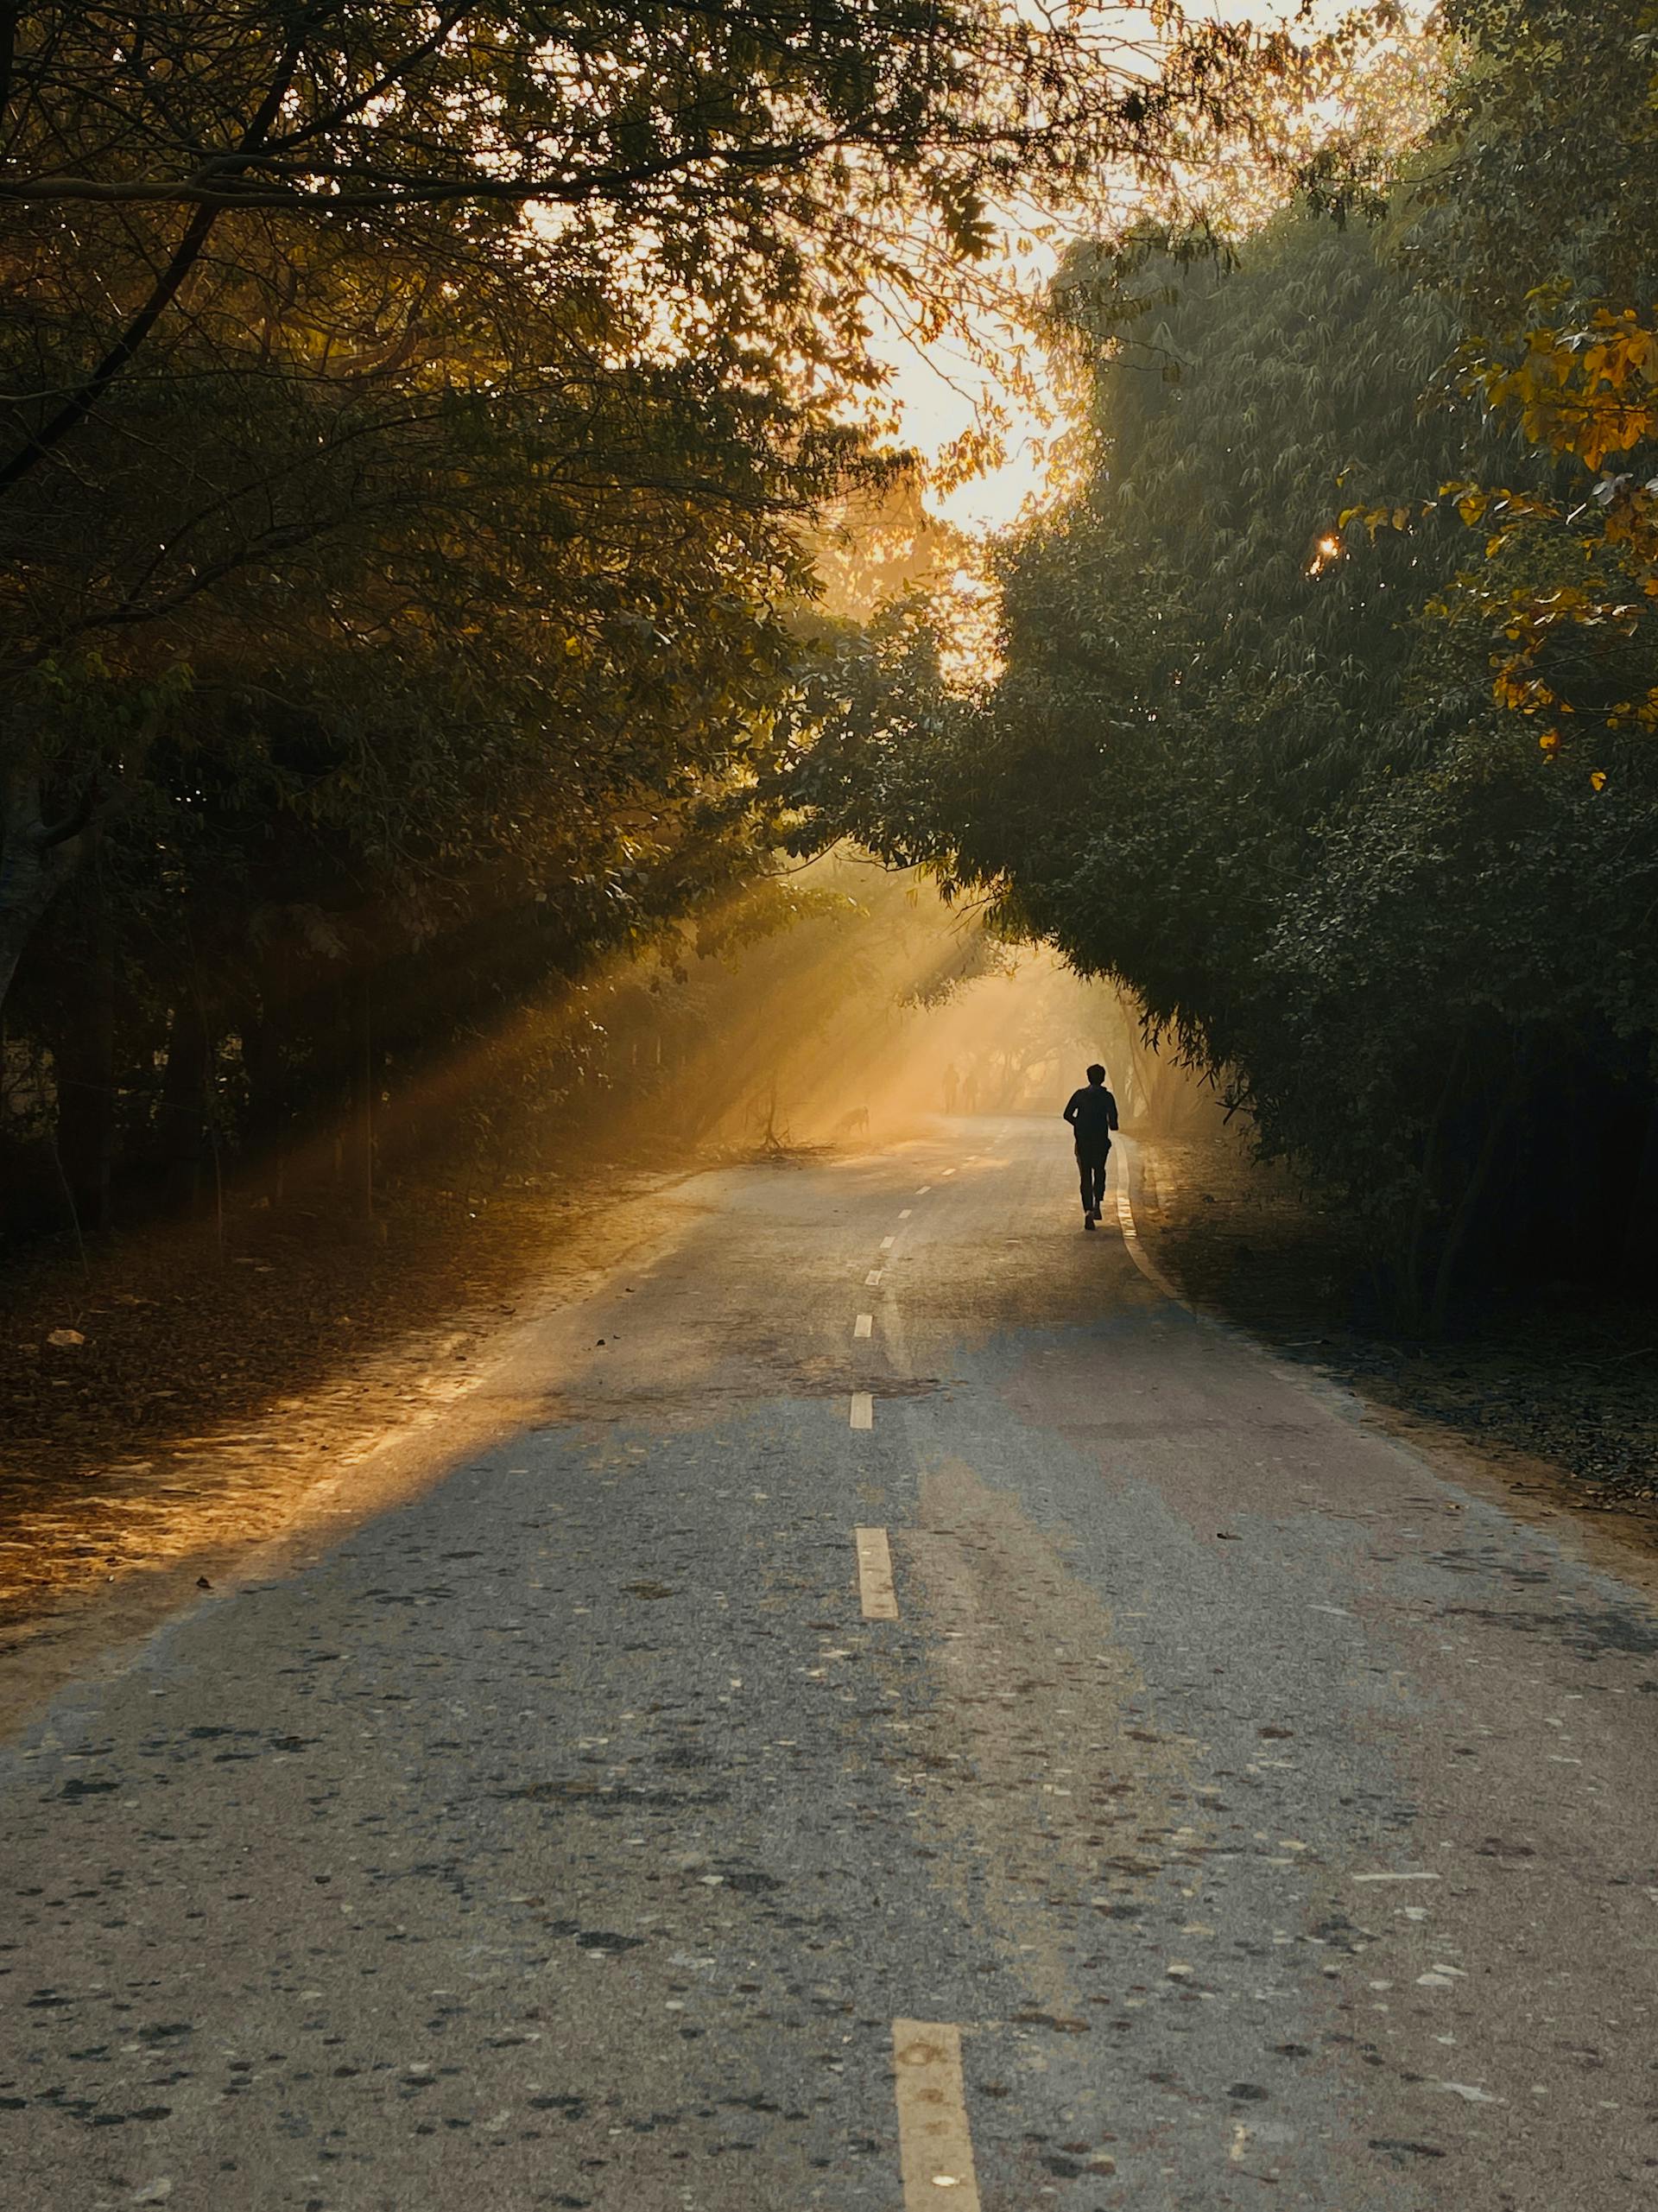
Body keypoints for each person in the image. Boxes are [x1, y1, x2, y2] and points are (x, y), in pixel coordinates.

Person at [1063, 1063, 1118, 1230]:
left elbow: (1067, 1114)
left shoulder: (1080, 1095)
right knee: (1100, 1170)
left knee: (1085, 1175)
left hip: (1083, 1141)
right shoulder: (1107, 1097)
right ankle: (1098, 1203)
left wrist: (1078, 1124)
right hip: (1100, 1142)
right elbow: (1114, 1124)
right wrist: (1108, 1123)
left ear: (1088, 1077)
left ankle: (1088, 1211)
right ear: (1103, 1078)